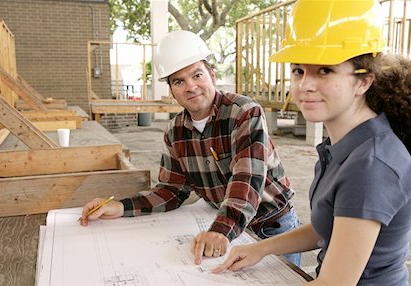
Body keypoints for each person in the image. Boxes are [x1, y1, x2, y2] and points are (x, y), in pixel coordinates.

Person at [212, 0, 411, 285]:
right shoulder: (344, 145)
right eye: (299, 70)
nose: (305, 85)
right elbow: (324, 228)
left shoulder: (371, 165)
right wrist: (260, 248)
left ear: (363, 81)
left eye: (325, 70)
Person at [80, 30, 301, 266]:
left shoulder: (244, 112)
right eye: (179, 81)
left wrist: (220, 230)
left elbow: (247, 179)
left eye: (197, 75)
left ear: (212, 75)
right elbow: (171, 191)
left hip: (272, 227)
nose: (190, 86)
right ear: (172, 90)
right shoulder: (175, 132)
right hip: (227, 228)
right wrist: (120, 207)